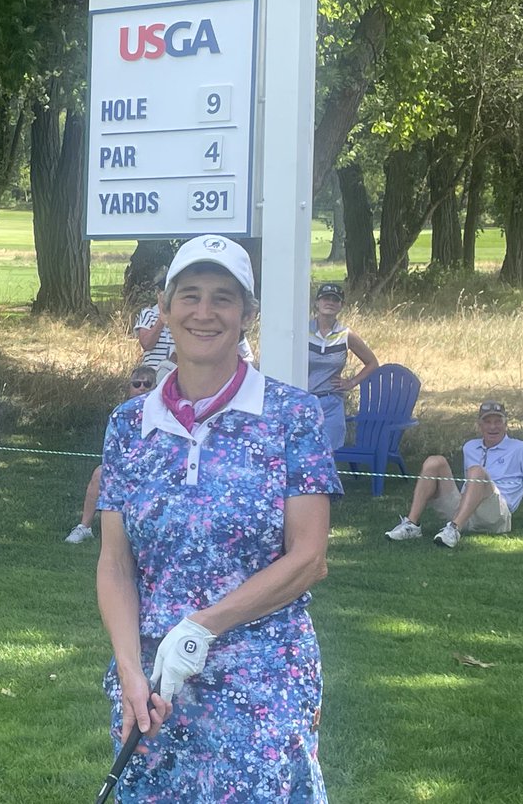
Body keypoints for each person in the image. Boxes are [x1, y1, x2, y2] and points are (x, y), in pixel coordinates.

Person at [97, 234, 341, 802]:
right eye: (189, 295)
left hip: (264, 674)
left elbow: (309, 558)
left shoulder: (292, 416)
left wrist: (203, 624)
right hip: (155, 685)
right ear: (164, 308)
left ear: (247, 314)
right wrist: (130, 671)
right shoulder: (128, 425)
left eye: (223, 298)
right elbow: (114, 564)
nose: (204, 312)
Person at [385, 400, 523, 548]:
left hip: (497, 515)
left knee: (476, 471)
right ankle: (411, 525)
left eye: (498, 421)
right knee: (434, 461)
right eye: (487, 422)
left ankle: (453, 529)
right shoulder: (470, 447)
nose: (493, 427)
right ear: (479, 425)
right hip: (465, 508)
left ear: (506, 424)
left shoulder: (522, 449)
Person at [65, 365, 160, 544]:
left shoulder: (163, 414)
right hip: (123, 466)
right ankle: (84, 527)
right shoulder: (120, 414)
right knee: (100, 473)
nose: (141, 388)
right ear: (129, 387)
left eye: (147, 384)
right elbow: (111, 449)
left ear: (155, 387)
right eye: (136, 384)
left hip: (152, 467)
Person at [308, 283, 378, 451]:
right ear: (317, 302)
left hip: (331, 401)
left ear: (341, 306)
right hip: (305, 400)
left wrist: (351, 382)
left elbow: (372, 363)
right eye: (325, 298)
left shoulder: (345, 334)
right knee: (304, 454)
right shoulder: (303, 330)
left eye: (335, 300)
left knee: (329, 457)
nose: (330, 302)